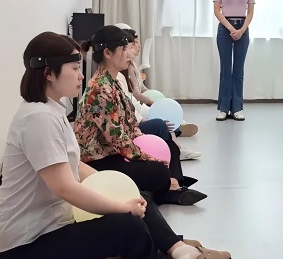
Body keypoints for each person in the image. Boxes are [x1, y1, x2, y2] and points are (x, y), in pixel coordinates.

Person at [0, 31, 231, 259]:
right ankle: (172, 249)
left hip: (53, 225)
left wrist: (117, 188)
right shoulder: (38, 119)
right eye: (75, 68)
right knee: (128, 225)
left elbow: (74, 165)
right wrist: (121, 206)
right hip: (27, 244)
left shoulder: (52, 110)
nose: (81, 75)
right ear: (48, 73)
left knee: (134, 193)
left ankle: (175, 248)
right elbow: (65, 187)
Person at [74, 25, 206, 206]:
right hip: (99, 160)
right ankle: (169, 187)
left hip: (113, 151)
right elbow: (118, 140)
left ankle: (168, 188)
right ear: (108, 53)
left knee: (170, 148)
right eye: (124, 49)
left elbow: (130, 125)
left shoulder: (112, 82)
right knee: (157, 170)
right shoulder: (100, 89)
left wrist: (148, 150)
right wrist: (149, 158)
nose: (129, 54)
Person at [116, 27, 202, 160]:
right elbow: (131, 102)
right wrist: (149, 107)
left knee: (164, 120)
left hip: (137, 115)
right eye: (130, 47)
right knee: (161, 122)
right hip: (132, 122)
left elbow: (132, 100)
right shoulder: (117, 77)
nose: (132, 52)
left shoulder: (127, 70)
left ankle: (177, 139)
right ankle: (177, 146)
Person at [213, 0, 255, 121]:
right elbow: (217, 11)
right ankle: (224, 108)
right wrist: (231, 28)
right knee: (225, 70)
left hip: (243, 27)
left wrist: (242, 30)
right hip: (225, 28)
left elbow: (250, 13)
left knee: (238, 70)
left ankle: (237, 108)